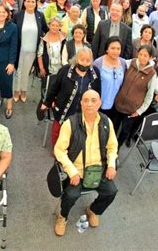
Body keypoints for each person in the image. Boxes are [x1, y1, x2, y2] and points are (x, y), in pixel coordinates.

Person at [53, 89, 118, 236]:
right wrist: (71, 171)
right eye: (86, 100)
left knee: (111, 192)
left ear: (100, 103)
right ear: (81, 103)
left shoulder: (107, 122)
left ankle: (93, 210)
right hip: (77, 172)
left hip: (98, 170)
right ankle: (62, 217)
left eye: (93, 100)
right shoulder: (70, 123)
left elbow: (112, 147)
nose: (89, 104)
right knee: (70, 196)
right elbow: (59, 150)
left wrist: (112, 165)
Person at [41, 47, 101, 147]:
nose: (85, 63)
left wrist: (96, 107)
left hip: (82, 110)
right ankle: (56, 149)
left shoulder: (95, 72)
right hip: (64, 107)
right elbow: (54, 88)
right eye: (82, 59)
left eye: (88, 60)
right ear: (77, 58)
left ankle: (70, 149)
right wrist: (46, 103)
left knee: (76, 132)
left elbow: (97, 92)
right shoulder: (65, 70)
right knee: (57, 131)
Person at [114, 45, 156, 147]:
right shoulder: (131, 63)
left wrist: (139, 111)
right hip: (119, 104)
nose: (142, 57)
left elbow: (149, 96)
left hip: (132, 110)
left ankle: (117, 150)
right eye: (140, 54)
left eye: (145, 56)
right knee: (113, 127)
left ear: (150, 58)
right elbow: (119, 61)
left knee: (124, 132)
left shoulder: (152, 74)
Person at [13, 0, 48, 103]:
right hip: (20, 48)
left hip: (33, 50)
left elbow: (46, 30)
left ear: (36, 3)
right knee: (18, 71)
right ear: (24, 3)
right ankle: (16, 91)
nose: (30, 4)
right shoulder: (18, 15)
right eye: (28, 1)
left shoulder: (40, 16)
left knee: (26, 72)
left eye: (33, 2)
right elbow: (13, 30)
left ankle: (24, 91)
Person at [93, 37, 127, 131]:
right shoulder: (98, 63)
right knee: (98, 127)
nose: (115, 51)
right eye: (112, 48)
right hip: (100, 103)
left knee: (112, 128)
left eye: (118, 49)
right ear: (107, 49)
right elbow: (92, 83)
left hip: (116, 104)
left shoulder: (123, 63)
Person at [37, 17, 66, 94]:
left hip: (60, 70)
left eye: (57, 25)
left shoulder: (63, 39)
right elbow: (40, 54)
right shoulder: (43, 40)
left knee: (58, 91)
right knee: (46, 91)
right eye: (53, 25)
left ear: (60, 27)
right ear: (49, 25)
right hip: (48, 70)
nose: (55, 27)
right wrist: (41, 68)